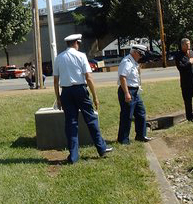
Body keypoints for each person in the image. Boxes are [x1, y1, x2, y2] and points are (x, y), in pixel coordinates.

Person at [53, 33, 113, 164]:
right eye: (78, 43)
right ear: (76, 43)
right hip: (80, 90)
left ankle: (73, 156)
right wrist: (95, 96)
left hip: (66, 92)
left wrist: (58, 98)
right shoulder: (81, 56)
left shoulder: (59, 58)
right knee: (91, 119)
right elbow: (89, 77)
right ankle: (101, 148)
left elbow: (55, 80)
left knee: (71, 123)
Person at [117, 45, 152, 145]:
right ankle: (123, 139)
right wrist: (126, 93)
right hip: (128, 90)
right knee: (127, 115)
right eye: (140, 54)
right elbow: (122, 77)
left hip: (135, 92)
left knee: (141, 113)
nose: (141, 57)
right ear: (135, 52)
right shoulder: (126, 62)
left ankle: (141, 135)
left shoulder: (133, 62)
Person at [175, 38, 193, 122]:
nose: (188, 45)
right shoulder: (178, 56)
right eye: (187, 44)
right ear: (182, 45)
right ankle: (190, 118)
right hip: (186, 83)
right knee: (188, 102)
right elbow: (181, 68)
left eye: (189, 44)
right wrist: (189, 62)